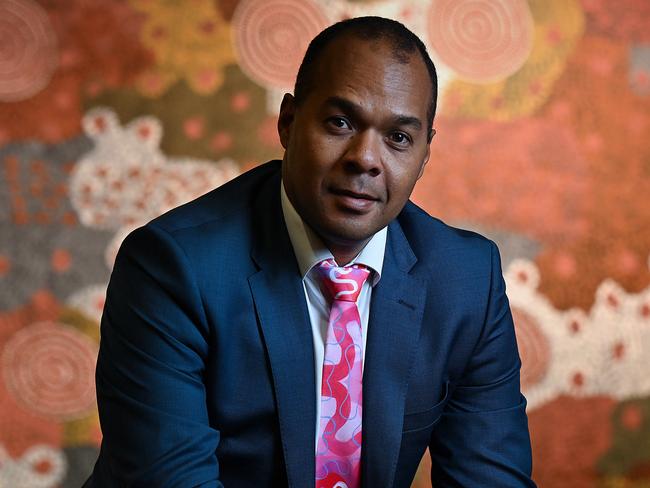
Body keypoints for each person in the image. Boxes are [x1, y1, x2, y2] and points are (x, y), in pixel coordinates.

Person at [84, 16, 535, 488]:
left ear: (424, 153)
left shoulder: (466, 280)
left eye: (398, 138)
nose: (365, 158)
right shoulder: (172, 267)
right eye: (340, 122)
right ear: (288, 122)